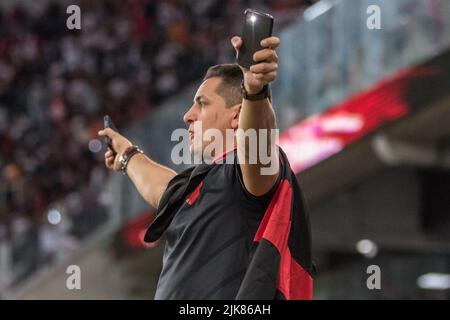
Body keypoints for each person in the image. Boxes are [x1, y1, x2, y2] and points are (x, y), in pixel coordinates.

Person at [98, 35, 313, 300]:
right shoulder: (201, 182)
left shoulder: (252, 170)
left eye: (202, 103)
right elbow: (164, 189)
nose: (187, 115)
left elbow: (257, 144)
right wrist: (127, 155)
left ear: (236, 115)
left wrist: (255, 92)